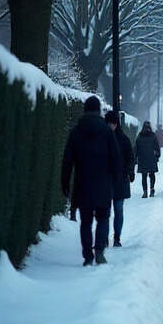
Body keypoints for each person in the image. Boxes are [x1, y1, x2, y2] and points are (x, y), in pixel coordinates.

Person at [61, 96, 122, 266]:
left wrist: (65, 182)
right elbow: (116, 158)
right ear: (99, 110)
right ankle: (100, 251)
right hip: (103, 184)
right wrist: (116, 180)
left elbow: (67, 160)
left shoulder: (76, 132)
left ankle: (87, 255)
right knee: (103, 218)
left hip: (83, 184)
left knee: (86, 221)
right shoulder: (107, 132)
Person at [105, 111, 135, 247]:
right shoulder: (103, 138)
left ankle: (117, 238)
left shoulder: (123, 139)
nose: (111, 126)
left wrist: (130, 171)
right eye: (109, 123)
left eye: (113, 123)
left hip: (119, 178)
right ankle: (104, 237)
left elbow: (130, 157)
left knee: (118, 209)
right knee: (106, 211)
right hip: (107, 179)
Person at [135, 121, 161, 198]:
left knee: (144, 176)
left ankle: (145, 192)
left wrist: (135, 158)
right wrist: (157, 156)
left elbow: (136, 148)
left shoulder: (139, 136)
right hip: (151, 158)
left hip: (142, 159)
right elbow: (157, 147)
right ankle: (152, 190)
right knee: (152, 175)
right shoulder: (153, 136)